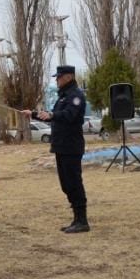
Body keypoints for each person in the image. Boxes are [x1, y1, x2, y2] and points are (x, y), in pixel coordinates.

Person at [21, 65, 89, 233]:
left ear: (68, 77)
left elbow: (69, 116)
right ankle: (76, 219)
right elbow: (53, 116)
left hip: (71, 146)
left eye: (59, 77)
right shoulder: (63, 97)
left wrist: (52, 115)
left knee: (74, 183)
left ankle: (82, 220)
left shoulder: (76, 96)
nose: (56, 80)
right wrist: (34, 114)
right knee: (66, 184)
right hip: (61, 146)